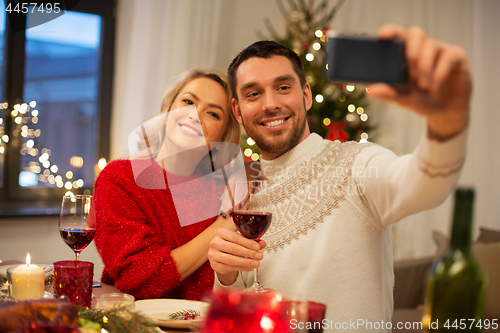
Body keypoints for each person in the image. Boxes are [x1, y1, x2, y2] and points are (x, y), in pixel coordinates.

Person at [208, 24, 471, 329]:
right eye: (254, 93)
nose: (270, 104)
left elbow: (424, 184)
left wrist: (445, 125)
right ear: (238, 112)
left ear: (306, 95)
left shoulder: (358, 163)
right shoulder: (241, 193)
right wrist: (225, 276)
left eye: (283, 87)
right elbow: (236, 316)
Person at [93, 69, 241, 300]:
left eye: (212, 114)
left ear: (222, 137)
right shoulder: (119, 179)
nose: (195, 115)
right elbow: (138, 279)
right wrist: (222, 227)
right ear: (169, 108)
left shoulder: (226, 191)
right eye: (188, 101)